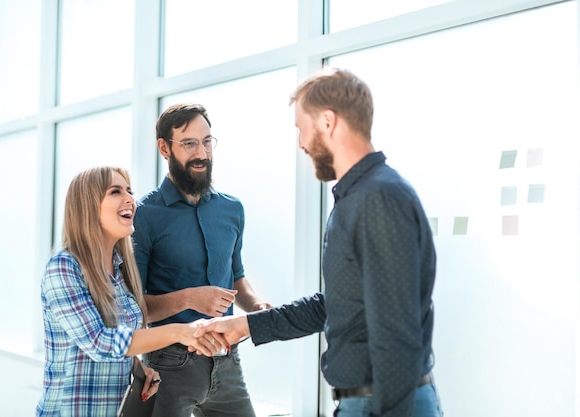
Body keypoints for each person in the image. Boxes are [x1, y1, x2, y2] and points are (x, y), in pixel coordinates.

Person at [194, 68, 443, 417]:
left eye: (301, 128)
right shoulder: (359, 198)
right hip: (371, 401)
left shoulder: (378, 198)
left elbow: (396, 331)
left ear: (327, 121)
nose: (301, 143)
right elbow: (341, 305)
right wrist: (245, 325)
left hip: (386, 403)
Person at [36, 166, 226, 417]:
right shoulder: (64, 267)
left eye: (130, 191)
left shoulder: (121, 270)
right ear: (87, 206)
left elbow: (122, 337)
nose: (130, 199)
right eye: (115, 191)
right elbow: (100, 343)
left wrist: (138, 369)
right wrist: (180, 332)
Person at [131, 103, 271, 417]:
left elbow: (236, 277)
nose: (202, 153)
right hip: (168, 366)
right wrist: (189, 299)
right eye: (190, 143)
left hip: (227, 361)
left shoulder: (232, 209)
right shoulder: (144, 216)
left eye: (207, 142)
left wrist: (259, 307)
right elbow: (134, 306)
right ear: (164, 148)